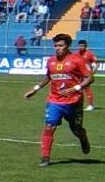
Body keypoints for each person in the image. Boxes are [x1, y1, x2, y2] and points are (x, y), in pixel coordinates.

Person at [24, 33, 93, 167]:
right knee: (49, 126)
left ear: (67, 46)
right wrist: (35, 88)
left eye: (60, 45)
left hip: (74, 101)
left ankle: (83, 138)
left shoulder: (77, 60)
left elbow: (90, 78)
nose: (57, 48)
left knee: (76, 129)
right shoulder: (51, 61)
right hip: (54, 100)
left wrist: (75, 88)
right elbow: (49, 76)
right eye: (55, 45)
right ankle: (45, 157)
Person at [77, 39, 97, 111]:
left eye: (82, 46)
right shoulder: (77, 54)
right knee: (78, 89)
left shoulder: (89, 54)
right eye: (80, 46)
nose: (81, 47)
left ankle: (91, 105)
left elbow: (96, 63)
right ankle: (77, 104)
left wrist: (92, 73)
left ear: (85, 46)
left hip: (87, 74)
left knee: (87, 89)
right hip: (79, 75)